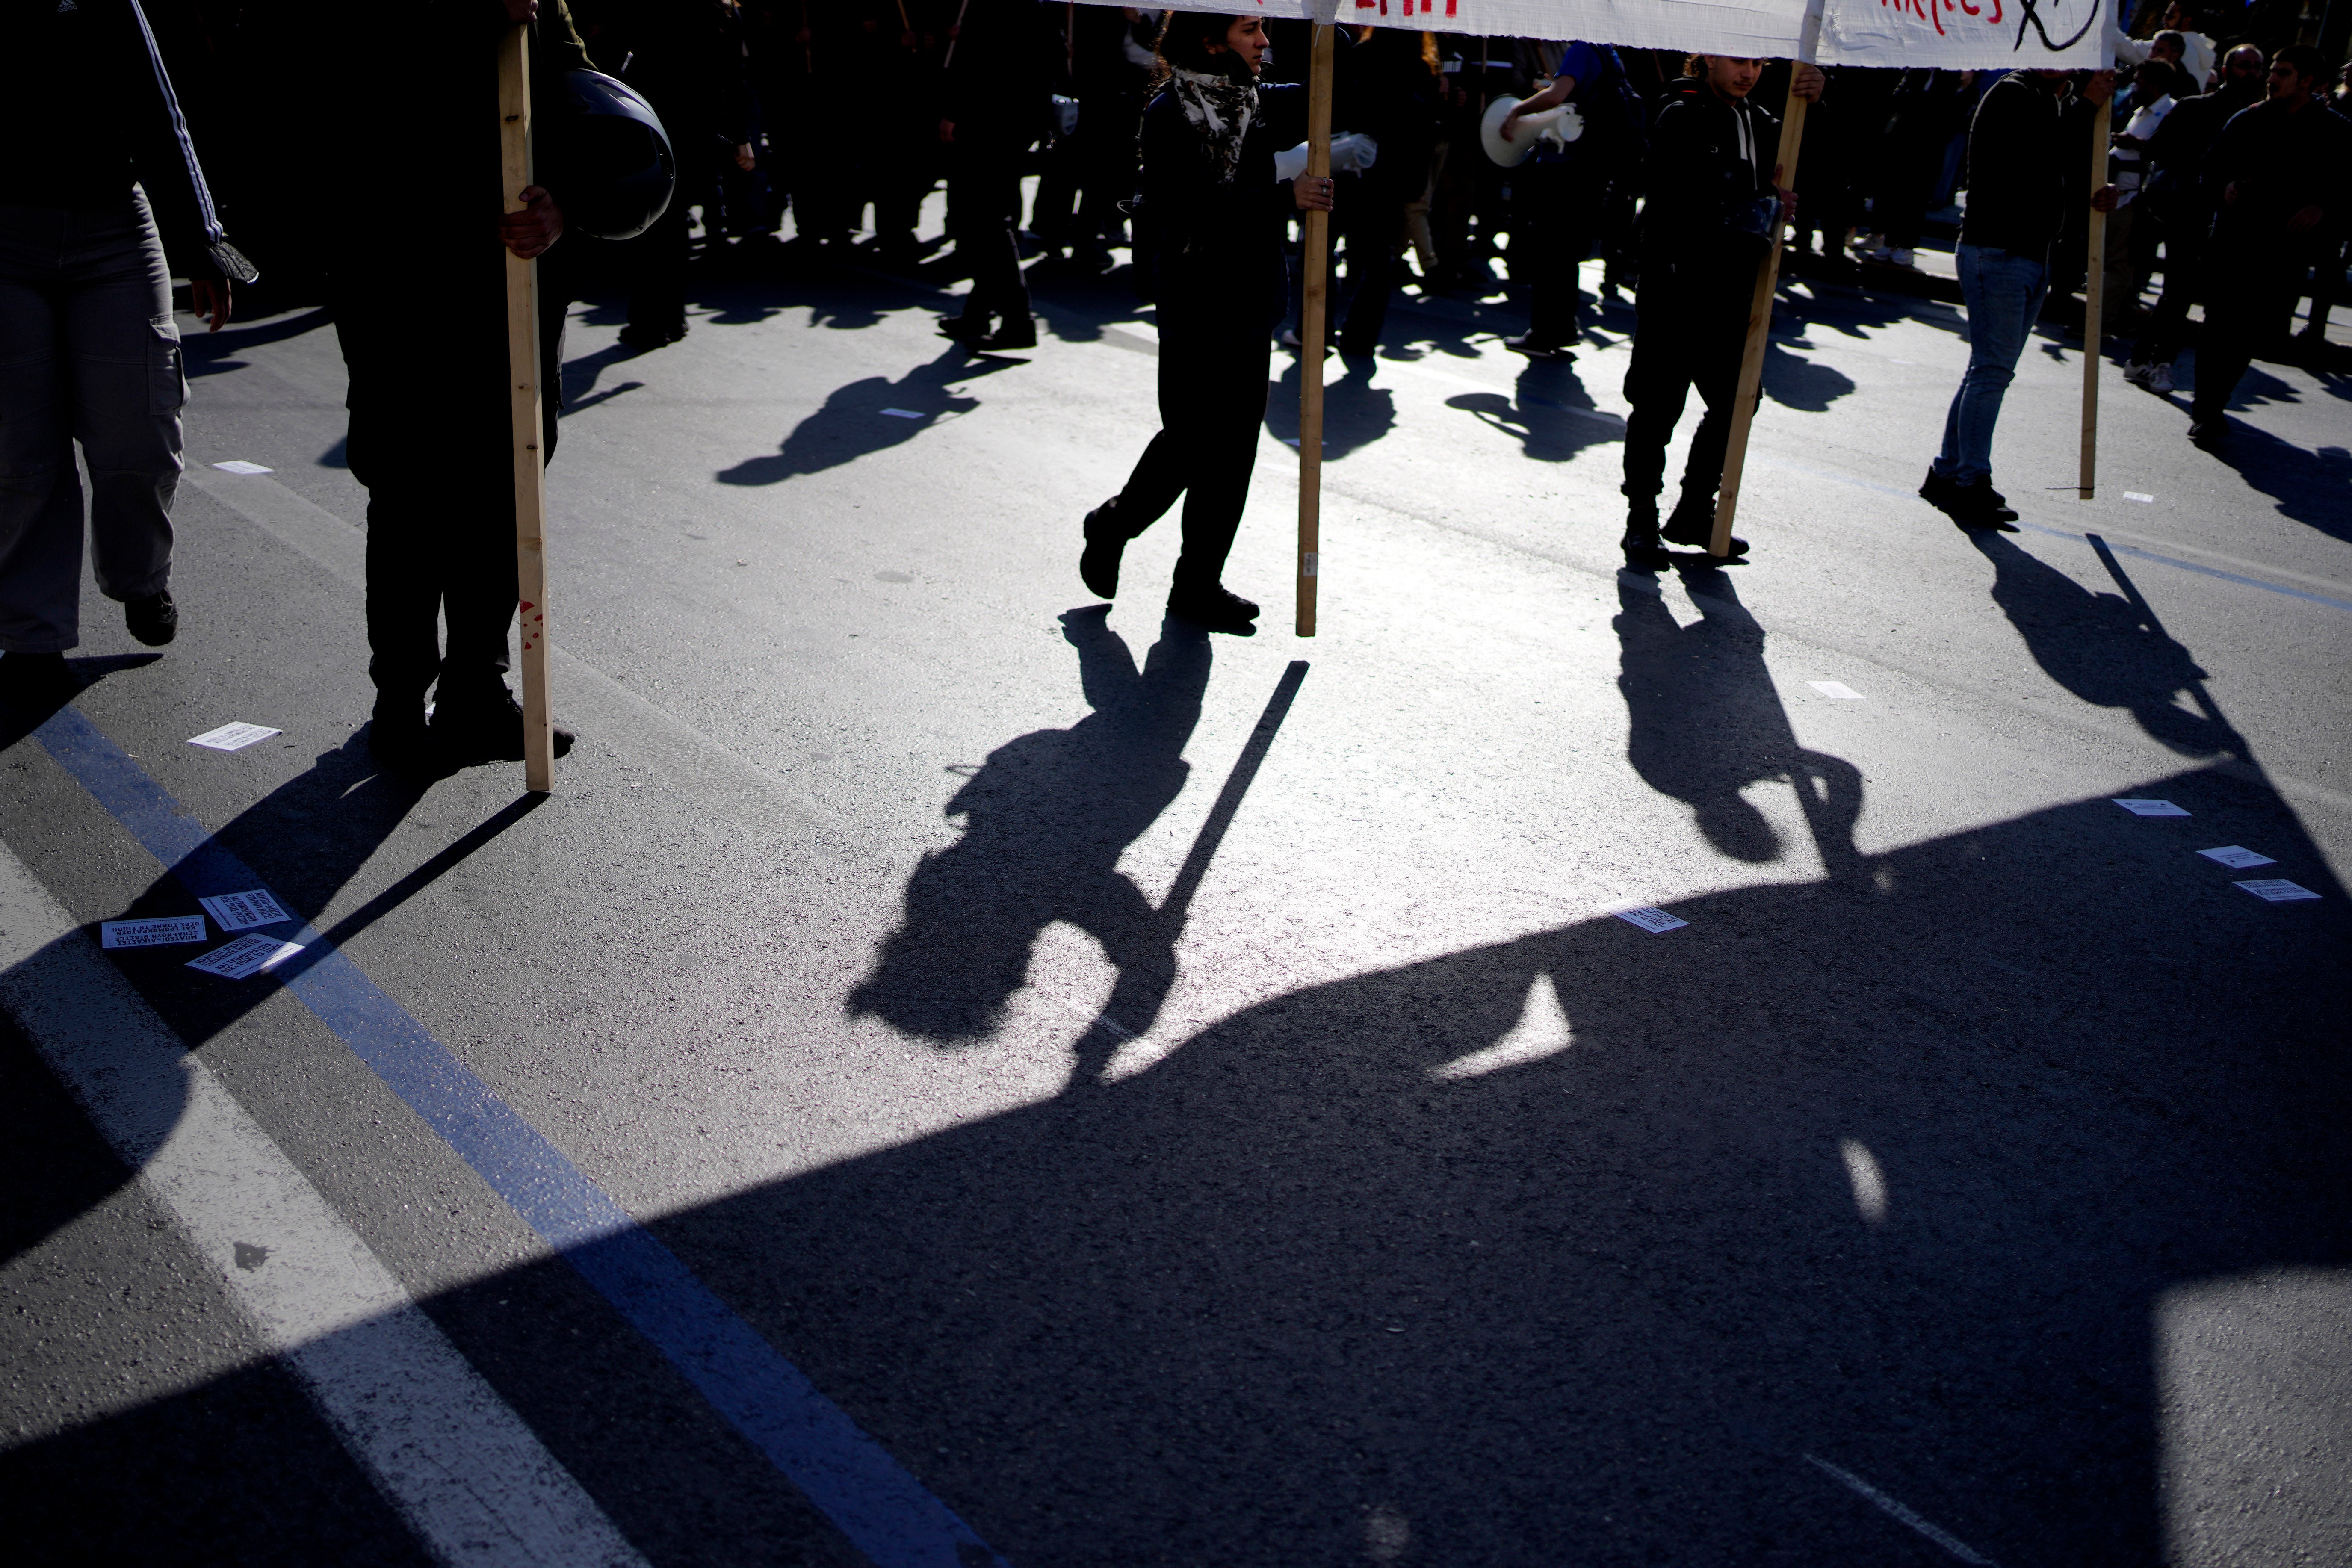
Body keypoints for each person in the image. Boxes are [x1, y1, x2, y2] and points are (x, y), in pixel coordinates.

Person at [317, 0, 591, 771]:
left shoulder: (537, 2)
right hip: (395, 274)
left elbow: (578, 100)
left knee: (505, 488)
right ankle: (399, 697)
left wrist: (561, 206)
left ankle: (477, 690)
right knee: (410, 491)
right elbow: (338, 89)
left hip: (508, 282)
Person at [0, 0, 254, 701]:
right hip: (6, 234)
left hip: (113, 222)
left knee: (141, 426)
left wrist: (203, 240)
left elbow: (156, 105)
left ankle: (141, 577)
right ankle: (32, 633)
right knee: (23, 451)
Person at [1076, 10, 1329, 632]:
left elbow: (1332, 78)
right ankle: (1115, 522)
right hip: (1194, 297)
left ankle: (1197, 582)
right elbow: (1190, 213)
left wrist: (1329, 15)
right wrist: (1281, 198)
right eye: (1251, 30)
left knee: (1234, 451)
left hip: (1251, 299)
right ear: (1212, 39)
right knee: (1190, 440)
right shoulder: (1169, 114)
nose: (1264, 42)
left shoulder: (1255, 99)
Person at [1617, 53, 1823, 569]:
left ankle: (1692, 510)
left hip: (1731, 294)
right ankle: (1640, 519)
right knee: (1656, 409)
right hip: (1676, 287)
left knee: (1738, 402)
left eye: (1757, 63)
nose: (1748, 72)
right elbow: (1683, 200)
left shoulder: (1756, 119)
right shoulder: (1681, 113)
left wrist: (1817, 97)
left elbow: (1809, 158)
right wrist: (1759, 202)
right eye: (1738, 60)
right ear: (1707, 58)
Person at [1917, 65, 2118, 528]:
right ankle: (1970, 480)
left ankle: (1947, 472)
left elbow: (2065, 169)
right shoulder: (2014, 93)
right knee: (1991, 371)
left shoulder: (2060, 102)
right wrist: (2087, 106)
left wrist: (2095, 193)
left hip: (2031, 254)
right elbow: (2036, 157)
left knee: (1986, 370)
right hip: (1999, 251)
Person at [2184, 44, 2352, 445]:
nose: (2272, 79)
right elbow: (2209, 171)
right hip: (2233, 243)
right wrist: (2224, 188)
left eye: (2283, 72)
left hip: (2284, 253)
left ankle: (2217, 398)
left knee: (2249, 331)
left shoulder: (2337, 132)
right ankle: (2207, 408)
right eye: (2272, 71)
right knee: (2219, 323)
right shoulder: (2248, 121)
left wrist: (2323, 210)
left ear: (2307, 81)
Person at [2122, 42, 2267, 394]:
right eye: (2242, 65)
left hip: (2237, 220)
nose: (2249, 72)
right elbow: (2157, 149)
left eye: (2255, 67)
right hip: (2190, 214)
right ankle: (2161, 362)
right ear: (2227, 68)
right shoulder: (2196, 108)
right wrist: (2200, 165)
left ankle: (2142, 356)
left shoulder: (2264, 118)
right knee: (2180, 291)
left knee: (2203, 299)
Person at [935, 0, 1062, 351]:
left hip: (988, 122)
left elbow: (979, 61)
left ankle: (1017, 320)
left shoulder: (996, 5)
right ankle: (979, 312)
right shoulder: (1033, 6)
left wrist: (955, 112)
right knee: (985, 220)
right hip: (1015, 121)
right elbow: (1056, 52)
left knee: (985, 221)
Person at [1494, 38, 1621, 359]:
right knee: (1567, 253)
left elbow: (1558, 95)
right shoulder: (1609, 52)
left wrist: (1517, 111)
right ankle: (1564, 327)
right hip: (1592, 166)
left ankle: (1543, 332)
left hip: (1566, 165)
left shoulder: (1583, 48)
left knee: (1550, 250)